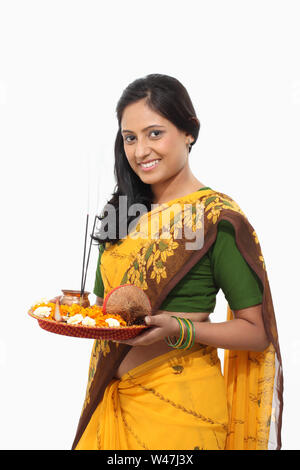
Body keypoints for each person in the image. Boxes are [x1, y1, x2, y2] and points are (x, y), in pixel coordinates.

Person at [72, 74, 283, 450]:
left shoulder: (216, 217)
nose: (140, 151)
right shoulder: (122, 214)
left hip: (183, 412)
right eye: (130, 137)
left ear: (189, 131)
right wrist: (72, 310)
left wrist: (180, 329)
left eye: (155, 133)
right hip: (111, 400)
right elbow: (108, 310)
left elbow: (256, 331)